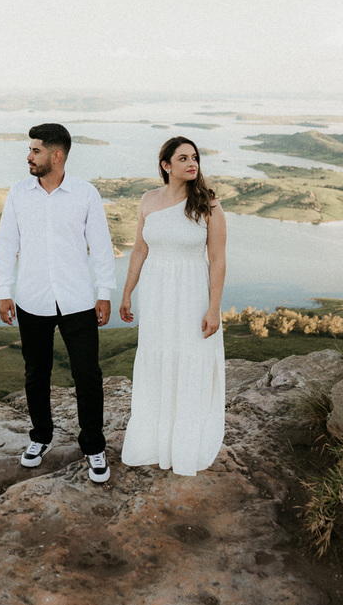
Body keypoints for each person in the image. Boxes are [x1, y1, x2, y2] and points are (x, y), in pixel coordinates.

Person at [0, 123, 117, 484]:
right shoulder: (19, 194)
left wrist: (104, 293)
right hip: (32, 299)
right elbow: (5, 244)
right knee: (36, 374)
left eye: (35, 150)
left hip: (78, 299)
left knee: (88, 376)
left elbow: (102, 246)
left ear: (56, 155)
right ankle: (40, 437)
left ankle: (93, 445)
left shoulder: (85, 194)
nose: (29, 156)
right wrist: (3, 289)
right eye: (30, 150)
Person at [119, 136, 226, 476]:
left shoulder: (208, 204)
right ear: (166, 165)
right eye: (183, 158)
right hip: (156, 294)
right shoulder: (148, 200)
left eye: (194, 157)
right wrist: (126, 293)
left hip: (193, 293)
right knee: (157, 359)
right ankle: (153, 441)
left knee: (189, 359)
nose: (192, 163)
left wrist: (214, 309)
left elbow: (218, 260)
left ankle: (184, 444)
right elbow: (139, 249)